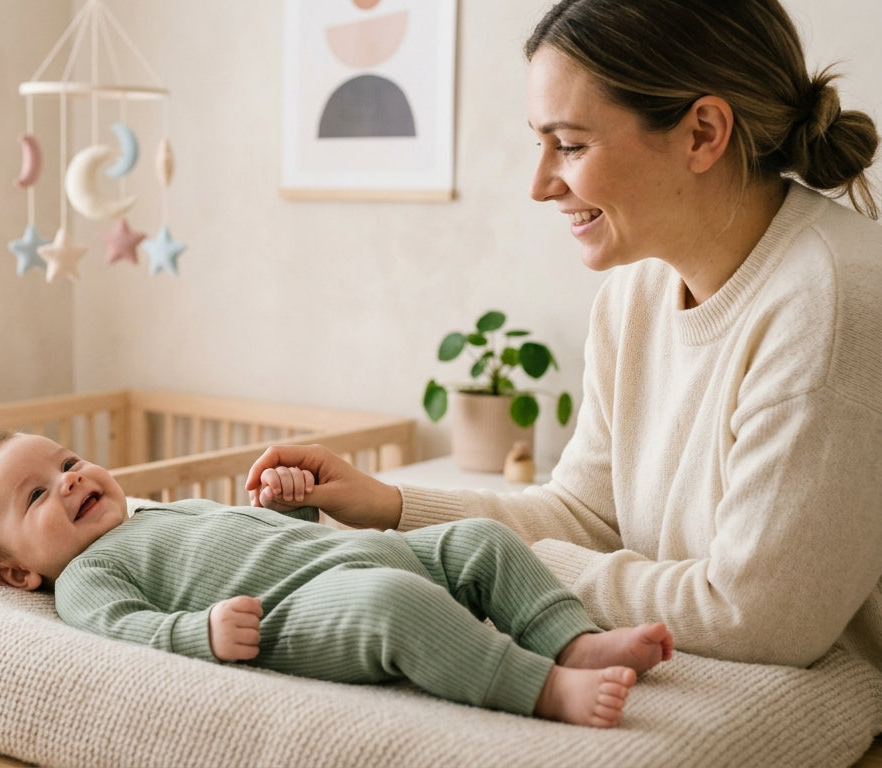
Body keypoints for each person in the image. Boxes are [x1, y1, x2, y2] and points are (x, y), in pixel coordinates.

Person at [246, 0, 882, 672]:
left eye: (571, 145)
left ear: (702, 133)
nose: (540, 184)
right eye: (540, 143)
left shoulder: (831, 305)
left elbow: (755, 618)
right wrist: (393, 507)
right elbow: (588, 516)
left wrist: (502, 565)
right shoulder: (633, 298)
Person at [0, 430, 674, 728]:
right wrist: (202, 633)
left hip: (348, 556)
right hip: (295, 616)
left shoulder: (156, 511)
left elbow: (255, 541)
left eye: (66, 462)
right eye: (35, 496)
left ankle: (570, 641)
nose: (69, 480)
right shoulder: (87, 578)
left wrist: (297, 514)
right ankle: (543, 689)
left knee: (481, 538)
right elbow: (130, 633)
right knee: (394, 605)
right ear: (18, 571)